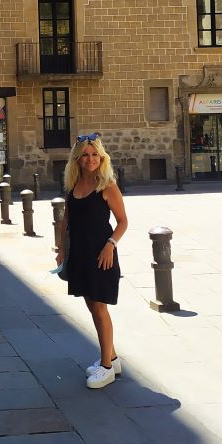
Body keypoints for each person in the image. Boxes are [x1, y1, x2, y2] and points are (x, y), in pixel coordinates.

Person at [54, 133, 128, 389]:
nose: (90, 159)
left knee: (99, 309)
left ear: (102, 157)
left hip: (101, 255)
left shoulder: (107, 185)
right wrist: (62, 249)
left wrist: (111, 245)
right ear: (77, 158)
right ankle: (113, 358)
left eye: (95, 154)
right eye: (85, 154)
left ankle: (106, 368)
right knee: (92, 307)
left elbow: (123, 222)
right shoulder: (72, 186)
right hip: (80, 255)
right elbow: (67, 221)